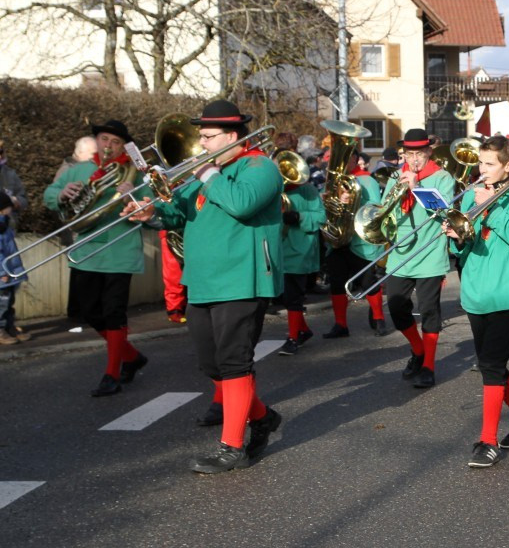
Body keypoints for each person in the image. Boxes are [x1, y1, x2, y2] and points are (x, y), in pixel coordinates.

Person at [125, 100, 284, 473]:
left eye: (209, 137)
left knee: (234, 362)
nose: (202, 144)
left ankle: (232, 448)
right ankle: (261, 418)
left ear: (232, 136)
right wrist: (150, 214)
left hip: (242, 278)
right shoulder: (203, 172)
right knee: (211, 364)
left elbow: (241, 203)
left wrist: (210, 173)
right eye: (202, 137)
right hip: (202, 280)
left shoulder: (260, 167)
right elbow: (178, 211)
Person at [444, 135, 509, 467]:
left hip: (505, 292)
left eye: (489, 165)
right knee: (493, 362)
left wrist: (493, 205)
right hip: (475, 290)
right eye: (480, 164)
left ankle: (486, 441)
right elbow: (468, 246)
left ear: (508, 166)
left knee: (491, 365)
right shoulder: (475, 192)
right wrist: (458, 238)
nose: (482, 171)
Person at [44, 119, 150, 397]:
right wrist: (61, 194)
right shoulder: (79, 170)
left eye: (115, 142)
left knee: (114, 312)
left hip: (121, 250)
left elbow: (153, 209)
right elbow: (50, 194)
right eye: (105, 139)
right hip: (87, 251)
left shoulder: (136, 174)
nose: (109, 146)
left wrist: (136, 196)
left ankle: (111, 374)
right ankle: (132, 357)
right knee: (90, 312)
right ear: (96, 141)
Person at [380, 128, 455, 388]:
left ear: (428, 152)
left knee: (429, 310)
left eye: (419, 153)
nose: (414, 158)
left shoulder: (442, 177)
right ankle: (418, 350)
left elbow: (444, 212)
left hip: (430, 253)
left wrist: (417, 187)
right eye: (409, 153)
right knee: (397, 307)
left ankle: (428, 366)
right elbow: (385, 214)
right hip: (400, 253)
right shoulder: (394, 178)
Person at [323, 147, 387, 340]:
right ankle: (340, 324)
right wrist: (327, 200)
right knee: (336, 282)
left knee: (367, 281)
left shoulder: (367, 180)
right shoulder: (334, 181)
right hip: (338, 239)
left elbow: (375, 207)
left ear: (356, 161)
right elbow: (325, 208)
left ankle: (378, 318)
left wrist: (351, 202)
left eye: (347, 160)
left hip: (359, 242)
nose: (342, 164)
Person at [278, 157, 326, 356]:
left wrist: (299, 217)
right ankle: (303, 330)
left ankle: (293, 338)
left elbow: (321, 217)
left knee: (293, 295)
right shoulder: (275, 191)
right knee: (286, 294)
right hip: (279, 248)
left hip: (300, 249)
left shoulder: (308, 190)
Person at [0, 191, 27, 344]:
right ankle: (1, 330)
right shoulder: (1, 228)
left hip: (9, 272)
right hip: (4, 274)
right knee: (2, 304)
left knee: (9, 303)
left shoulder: (5, 225)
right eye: (9, 206)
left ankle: (10, 327)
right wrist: (2, 271)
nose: (12, 208)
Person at [0, 138, 28, 230]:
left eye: (1, 152)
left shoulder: (10, 174)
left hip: (7, 229)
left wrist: (16, 201)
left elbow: (24, 199)